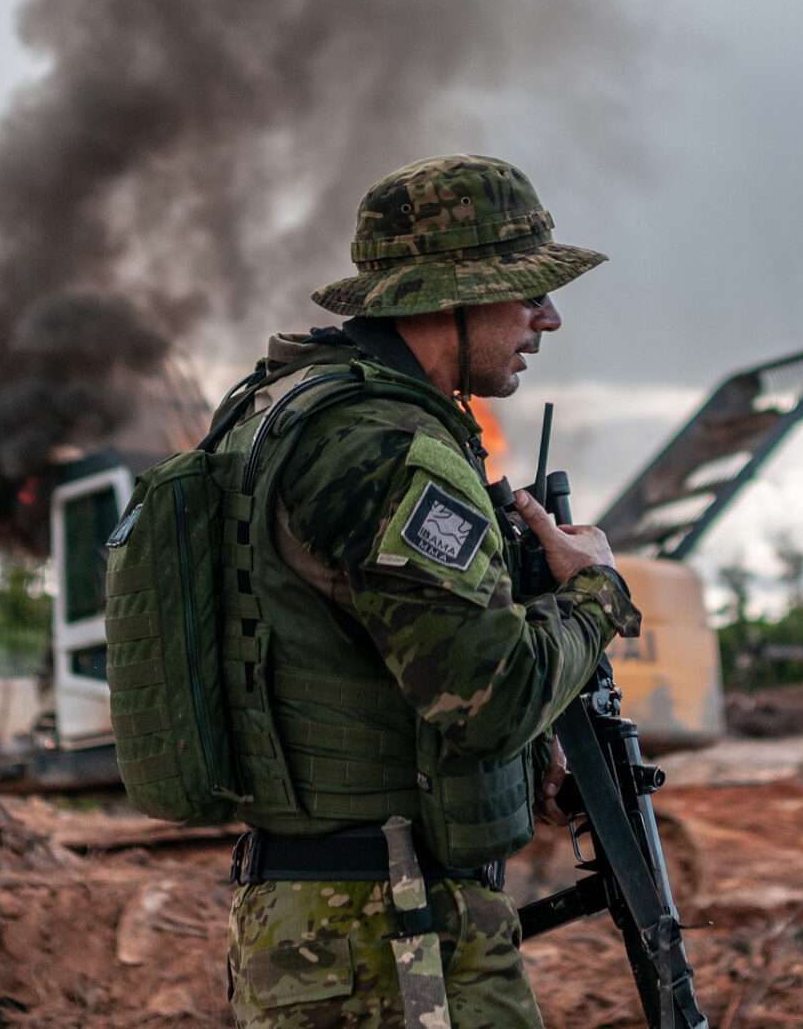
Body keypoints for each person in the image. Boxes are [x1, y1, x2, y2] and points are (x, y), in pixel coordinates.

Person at [218, 154, 641, 1027]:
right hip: (390, 931)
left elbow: (360, 667)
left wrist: (531, 766)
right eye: (526, 293)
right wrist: (596, 595)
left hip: (338, 923)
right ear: (449, 294)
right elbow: (486, 697)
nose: (548, 318)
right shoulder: (388, 447)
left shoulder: (289, 409)